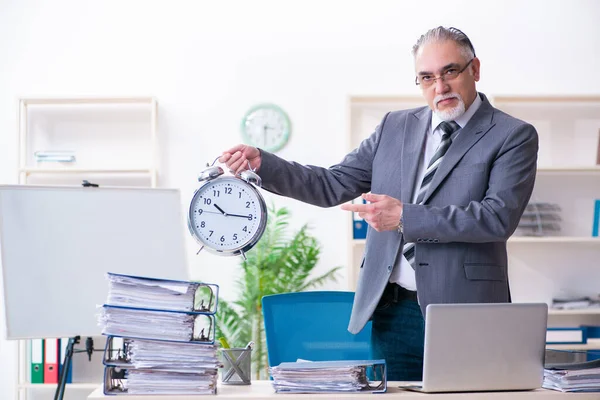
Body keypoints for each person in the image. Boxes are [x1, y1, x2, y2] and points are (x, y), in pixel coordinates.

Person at [220, 26, 538, 381]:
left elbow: (496, 217)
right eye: (427, 77)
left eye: (450, 71)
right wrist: (266, 164)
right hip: (393, 310)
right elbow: (332, 183)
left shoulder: (512, 135)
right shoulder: (394, 126)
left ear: (474, 69)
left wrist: (404, 217)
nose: (440, 86)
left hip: (465, 312)